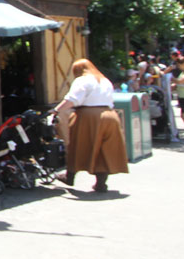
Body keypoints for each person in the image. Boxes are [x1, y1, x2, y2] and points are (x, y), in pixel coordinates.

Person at [51, 58, 128, 193]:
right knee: (105, 150)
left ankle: (70, 176)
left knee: (78, 145)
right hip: (110, 115)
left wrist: (56, 110)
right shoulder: (105, 80)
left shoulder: (82, 80)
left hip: (89, 116)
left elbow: (72, 99)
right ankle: (101, 184)